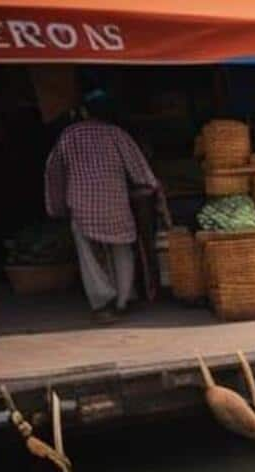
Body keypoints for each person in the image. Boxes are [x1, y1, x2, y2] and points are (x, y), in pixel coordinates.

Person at [43, 89, 160, 323]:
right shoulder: (117, 134)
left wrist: (56, 207)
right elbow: (140, 172)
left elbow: (54, 173)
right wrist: (151, 186)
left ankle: (102, 301)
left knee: (89, 256)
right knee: (122, 250)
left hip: (81, 204)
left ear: (84, 111)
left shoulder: (69, 135)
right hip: (115, 203)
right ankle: (123, 299)